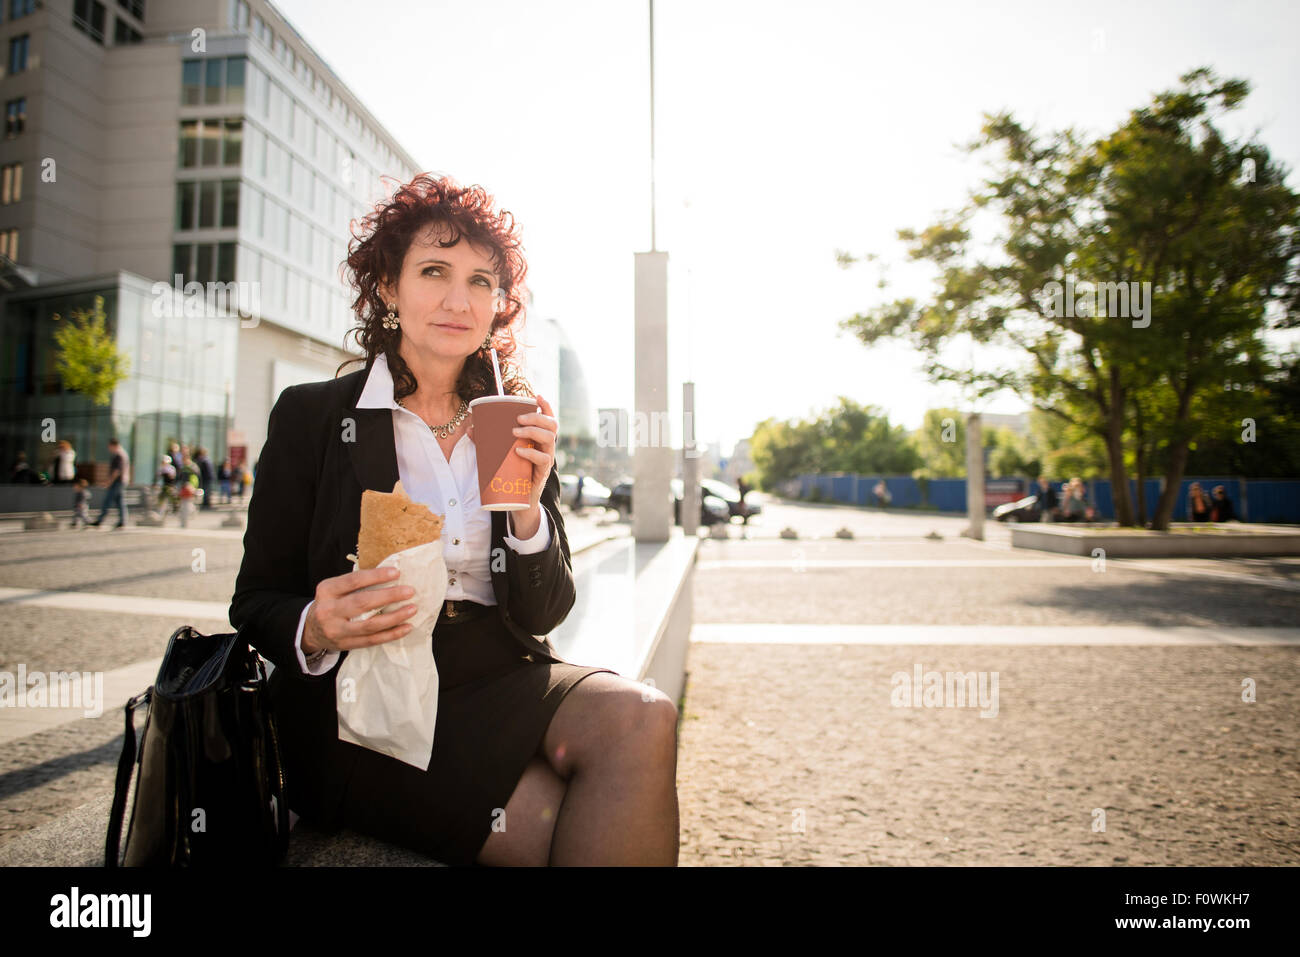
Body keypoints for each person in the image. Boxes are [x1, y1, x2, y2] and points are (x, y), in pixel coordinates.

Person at [228, 173, 679, 867]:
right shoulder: (314, 416)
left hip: (500, 676)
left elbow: (545, 609)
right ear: (387, 285)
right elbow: (254, 598)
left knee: (643, 716)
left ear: (498, 303)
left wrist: (527, 510)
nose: (456, 299)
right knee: (556, 824)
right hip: (369, 703)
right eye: (433, 271)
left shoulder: (512, 421)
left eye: (480, 281)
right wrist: (314, 624)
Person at [89, 438, 130, 528]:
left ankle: (100, 520)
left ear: (113, 445)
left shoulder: (119, 455)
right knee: (120, 502)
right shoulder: (121, 453)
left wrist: (109, 482)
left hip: (118, 481)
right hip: (121, 481)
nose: (109, 448)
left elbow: (117, 471)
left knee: (108, 500)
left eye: (109, 446)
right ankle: (122, 521)